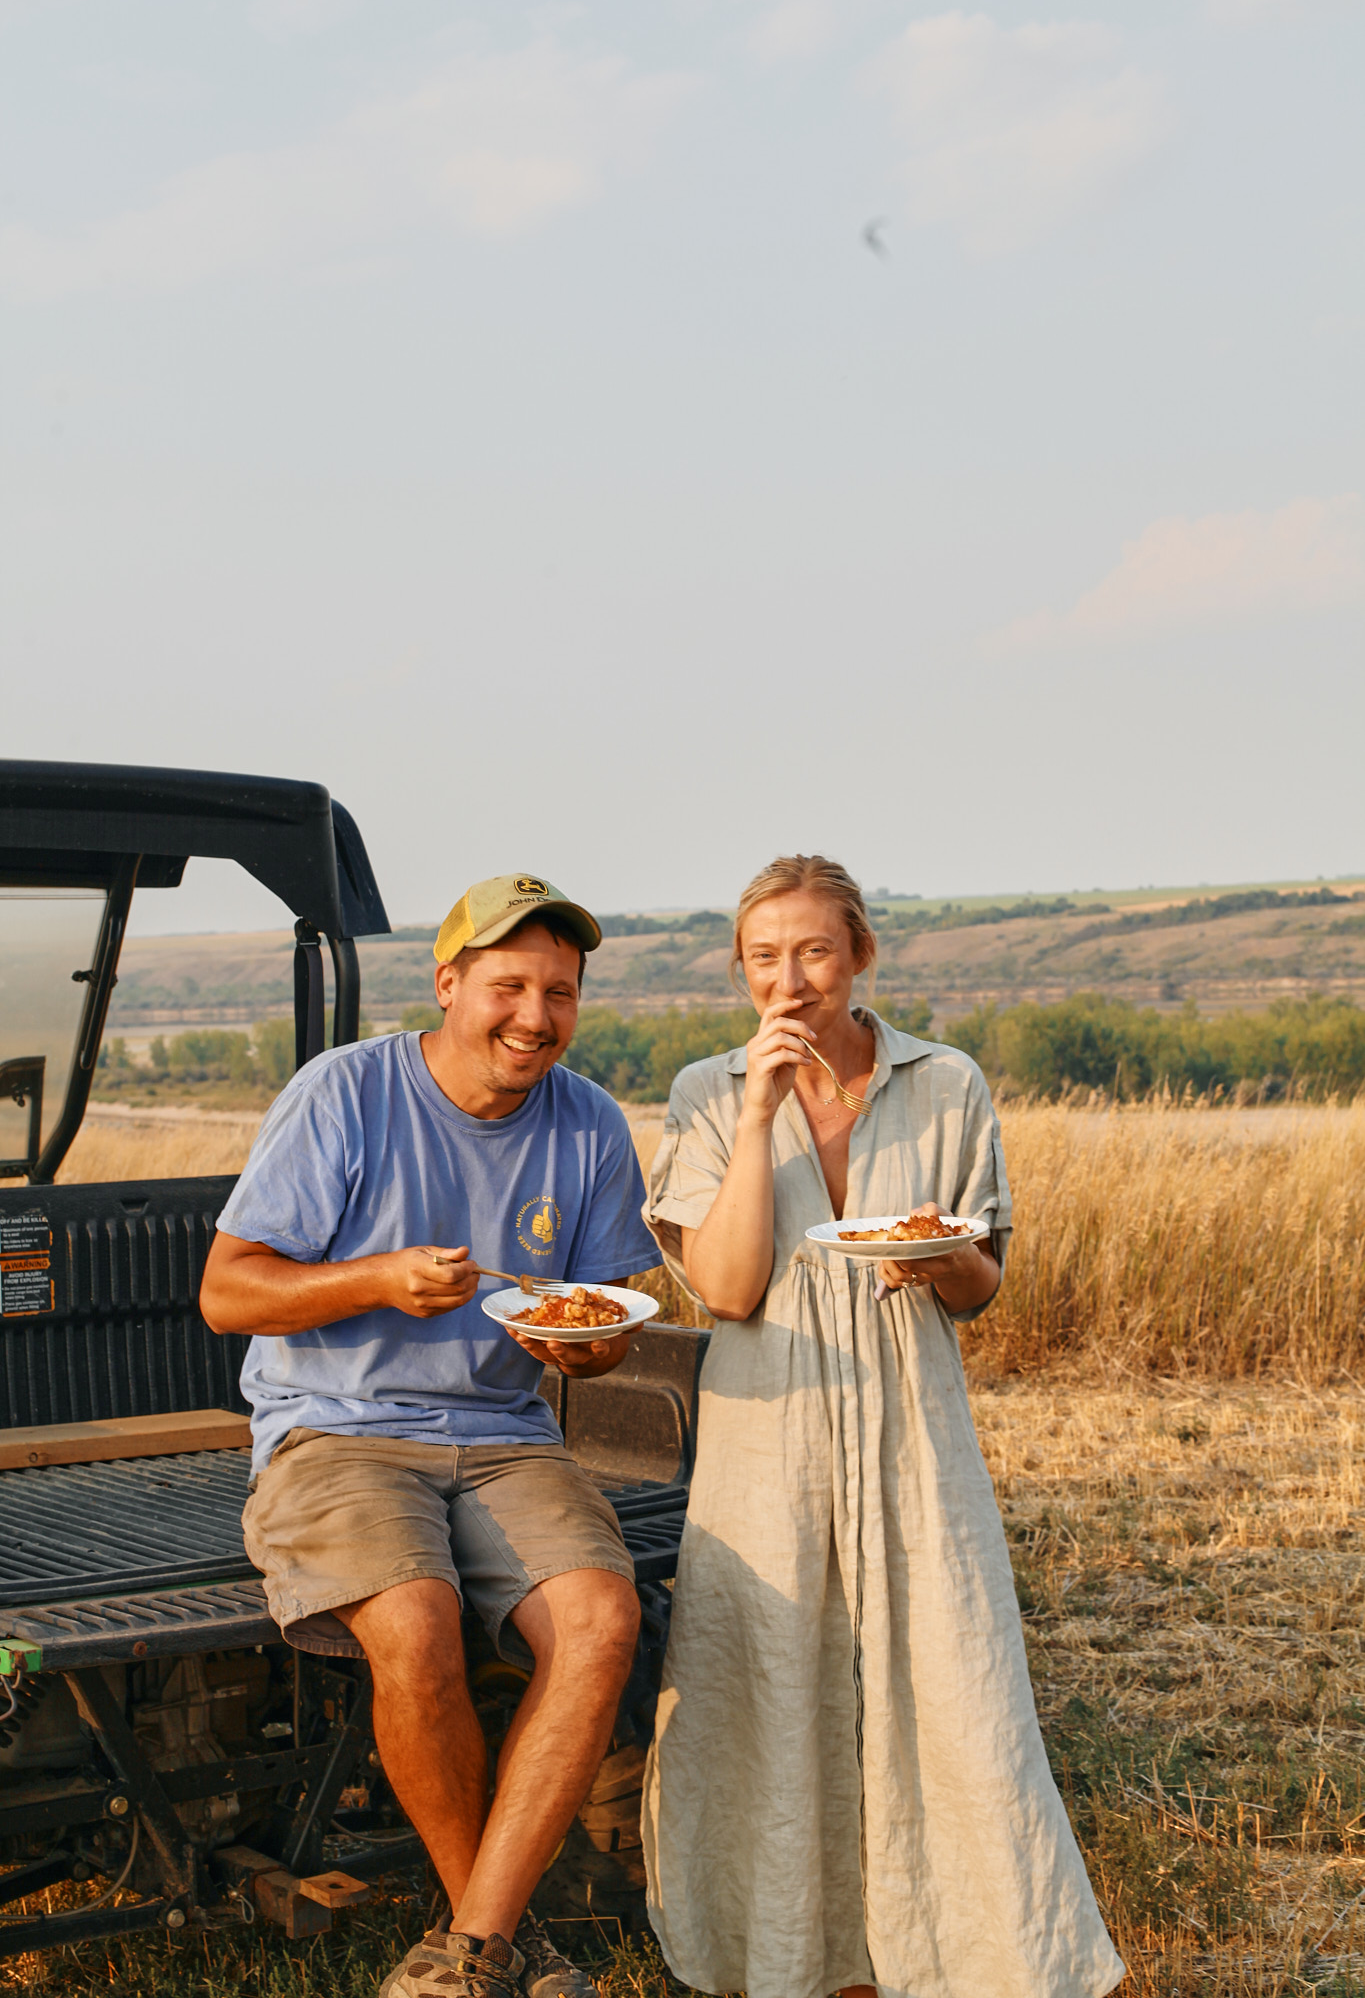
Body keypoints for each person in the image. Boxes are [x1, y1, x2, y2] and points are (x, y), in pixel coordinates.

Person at [640, 856, 1123, 1998]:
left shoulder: (946, 1082)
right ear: (739, 969)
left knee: (949, 1665)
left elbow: (979, 1282)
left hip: (911, 1405)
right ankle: (789, 1944)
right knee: (769, 1665)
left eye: (814, 949)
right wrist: (759, 1112)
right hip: (774, 1415)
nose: (791, 977)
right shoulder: (708, 1091)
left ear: (860, 953)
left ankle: (980, 1945)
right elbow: (729, 1287)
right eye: (765, 956)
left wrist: (936, 1247)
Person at [200, 874, 663, 1998]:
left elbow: (600, 1318)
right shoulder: (344, 1094)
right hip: (337, 1430)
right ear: (449, 984)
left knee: (603, 1617)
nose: (535, 1016)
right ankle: (494, 1938)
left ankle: (470, 1951)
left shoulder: (590, 1120)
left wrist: (583, 1348)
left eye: (560, 991)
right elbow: (228, 1292)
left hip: (504, 1431)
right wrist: (374, 1279)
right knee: (416, 1618)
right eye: (509, 984)